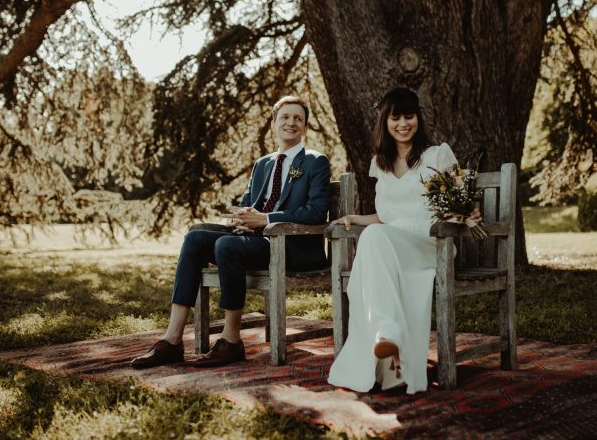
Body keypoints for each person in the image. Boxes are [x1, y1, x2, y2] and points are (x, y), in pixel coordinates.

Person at [131, 95, 331, 368]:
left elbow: (317, 211)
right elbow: (249, 203)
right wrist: (241, 217)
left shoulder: (315, 162)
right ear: (273, 124)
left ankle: (231, 341)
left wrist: (265, 219)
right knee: (195, 237)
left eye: (298, 118)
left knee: (227, 246)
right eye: (284, 117)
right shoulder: (263, 164)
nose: (291, 122)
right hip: (255, 240)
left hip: (291, 245)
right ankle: (172, 340)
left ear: (305, 127)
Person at [327, 87, 481, 394]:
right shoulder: (380, 164)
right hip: (393, 244)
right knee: (372, 236)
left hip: (431, 244)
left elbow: (459, 201)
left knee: (372, 244)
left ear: (418, 119)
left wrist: (465, 214)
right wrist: (357, 219)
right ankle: (389, 344)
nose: (403, 124)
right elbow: (387, 218)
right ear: (385, 122)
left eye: (409, 116)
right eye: (395, 117)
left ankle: (387, 332)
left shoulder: (437, 155)